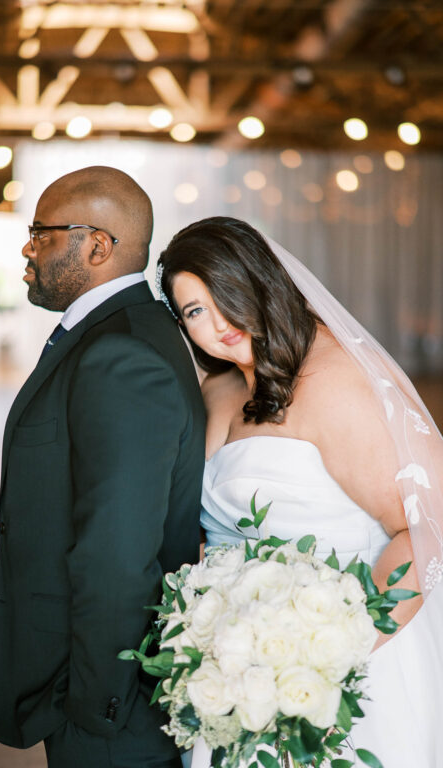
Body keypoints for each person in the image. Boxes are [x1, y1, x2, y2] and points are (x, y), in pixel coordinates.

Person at [157, 216, 443, 765]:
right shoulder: (217, 388)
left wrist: (327, 658)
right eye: (194, 311)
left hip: (344, 667)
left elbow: (423, 530)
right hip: (238, 669)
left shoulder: (335, 382)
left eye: (225, 293)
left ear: (260, 282)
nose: (217, 322)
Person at [0, 167, 207, 768]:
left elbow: (118, 552)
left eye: (42, 234)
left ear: (98, 246)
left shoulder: (123, 353)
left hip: (108, 711)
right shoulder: (111, 334)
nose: (28, 248)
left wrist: (96, 705)